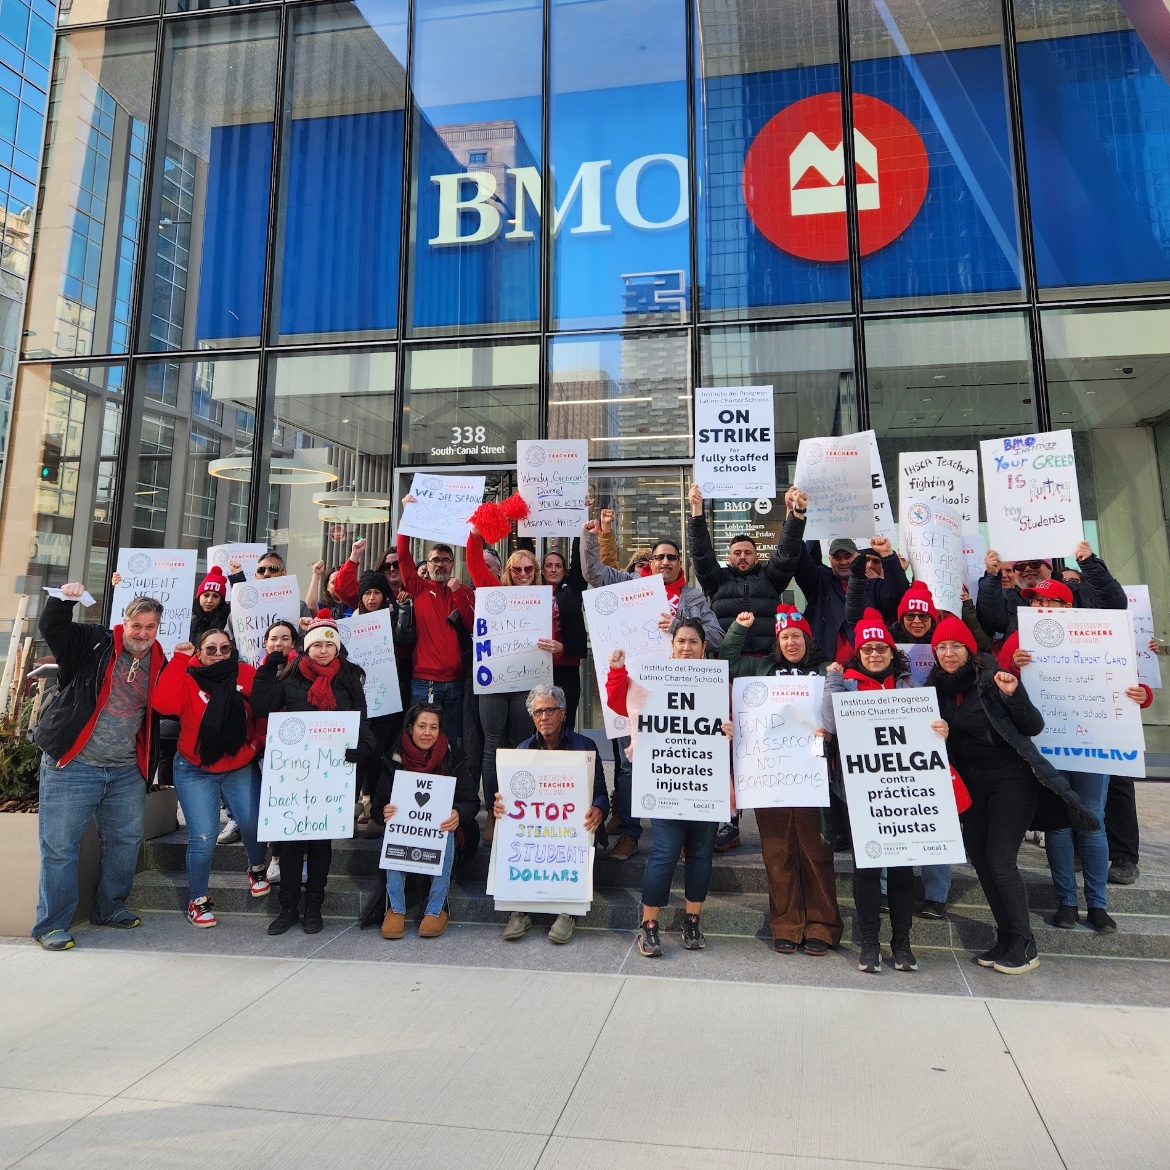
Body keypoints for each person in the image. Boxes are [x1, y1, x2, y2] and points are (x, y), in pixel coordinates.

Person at [1007, 576, 1149, 934]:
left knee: (1092, 822)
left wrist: (1141, 695)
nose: (1039, 608)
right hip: (1049, 747)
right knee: (1056, 824)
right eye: (1035, 602)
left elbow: (1130, 678)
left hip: (1094, 745)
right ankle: (1066, 903)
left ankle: (1097, 905)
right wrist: (1012, 665)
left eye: (1047, 602)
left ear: (1067, 607)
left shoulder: (1100, 630)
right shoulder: (1019, 638)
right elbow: (1000, 685)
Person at [32, 586, 168, 950]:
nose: (142, 633)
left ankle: (109, 907)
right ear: (124, 621)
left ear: (158, 628)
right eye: (137, 624)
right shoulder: (93, 642)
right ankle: (51, 924)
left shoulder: (160, 659)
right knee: (60, 846)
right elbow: (53, 625)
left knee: (124, 842)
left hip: (125, 770)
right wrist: (65, 597)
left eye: (150, 626)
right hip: (75, 764)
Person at [822, 609, 946, 974]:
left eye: (881, 648)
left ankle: (902, 944)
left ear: (893, 652)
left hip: (904, 793)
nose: (874, 654)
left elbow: (926, 730)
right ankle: (870, 943)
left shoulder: (910, 687)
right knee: (866, 869)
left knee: (903, 871)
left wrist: (938, 728)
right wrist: (832, 680)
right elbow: (830, 723)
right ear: (857, 654)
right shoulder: (845, 685)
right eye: (866, 649)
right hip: (860, 791)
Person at [605, 619, 734, 958]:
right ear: (672, 646)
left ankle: (692, 920)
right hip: (666, 782)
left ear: (705, 647)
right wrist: (617, 671)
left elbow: (737, 722)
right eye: (681, 641)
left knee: (701, 856)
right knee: (663, 853)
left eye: (693, 641)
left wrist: (733, 728)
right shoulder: (655, 679)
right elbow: (622, 704)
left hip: (705, 782)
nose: (687, 647)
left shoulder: (718, 684)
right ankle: (649, 925)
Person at [927, 618, 1049, 974]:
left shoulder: (993, 680)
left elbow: (1033, 726)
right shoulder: (934, 689)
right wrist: (939, 734)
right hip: (971, 787)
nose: (949, 654)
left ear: (970, 650)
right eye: (941, 648)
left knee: (1000, 861)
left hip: (1011, 782)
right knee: (981, 861)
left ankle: (1025, 944)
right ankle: (1007, 938)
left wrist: (1015, 694)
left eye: (956, 646)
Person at [721, 606, 842, 955]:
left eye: (797, 637)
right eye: (785, 637)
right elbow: (728, 663)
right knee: (777, 853)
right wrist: (739, 630)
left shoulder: (825, 670)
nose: (791, 643)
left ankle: (822, 925)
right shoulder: (761, 668)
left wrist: (830, 733)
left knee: (816, 853)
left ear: (808, 639)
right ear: (777, 642)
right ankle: (785, 925)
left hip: (813, 776)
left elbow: (839, 713)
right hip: (769, 778)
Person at [251, 610, 375, 935]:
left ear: (337, 648)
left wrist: (365, 746)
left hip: (332, 773)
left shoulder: (349, 678)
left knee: (321, 842)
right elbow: (262, 706)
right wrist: (267, 668)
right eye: (317, 644)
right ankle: (288, 906)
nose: (323, 650)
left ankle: (313, 905)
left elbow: (362, 718)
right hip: (295, 773)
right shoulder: (290, 677)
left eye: (329, 645)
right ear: (307, 647)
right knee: (291, 842)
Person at [689, 482, 793, 852]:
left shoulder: (770, 578)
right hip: (727, 670)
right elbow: (701, 557)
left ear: (756, 555)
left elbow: (787, 554)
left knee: (764, 742)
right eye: (737, 553)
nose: (743, 557)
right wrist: (697, 515)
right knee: (726, 744)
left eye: (748, 552)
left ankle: (772, 815)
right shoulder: (718, 580)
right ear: (729, 557)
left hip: (765, 667)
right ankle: (729, 820)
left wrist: (794, 516)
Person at [154, 627, 269, 927]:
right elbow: (163, 704)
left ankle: (257, 868)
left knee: (253, 821)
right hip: (195, 768)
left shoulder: (245, 673)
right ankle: (199, 901)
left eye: (225, 648)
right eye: (211, 649)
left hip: (238, 764)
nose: (218, 654)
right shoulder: (187, 675)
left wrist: (256, 742)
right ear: (199, 651)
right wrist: (179, 661)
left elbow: (264, 712)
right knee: (203, 837)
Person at [489, 683, 608, 945]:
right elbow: (508, 798)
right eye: (538, 712)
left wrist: (598, 810)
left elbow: (601, 794)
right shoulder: (521, 752)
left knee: (576, 839)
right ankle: (520, 910)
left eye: (550, 710)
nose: (544, 717)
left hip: (572, 829)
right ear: (532, 717)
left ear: (563, 713)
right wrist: (500, 806)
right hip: (538, 829)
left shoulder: (584, 747)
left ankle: (569, 911)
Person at [466, 532, 561, 840]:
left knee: (523, 744)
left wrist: (557, 648)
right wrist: (474, 534)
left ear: (536, 572)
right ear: (508, 571)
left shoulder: (545, 598)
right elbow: (475, 566)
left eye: (528, 569)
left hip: (528, 682)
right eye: (517, 569)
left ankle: (522, 807)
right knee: (493, 745)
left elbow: (554, 640)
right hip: (494, 681)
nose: (522, 574)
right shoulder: (495, 591)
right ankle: (494, 816)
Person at [373, 703, 480, 939]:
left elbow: (472, 801)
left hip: (445, 834)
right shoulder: (393, 758)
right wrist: (384, 812)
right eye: (422, 726)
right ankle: (396, 908)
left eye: (434, 727)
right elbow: (377, 807)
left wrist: (458, 814)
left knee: (447, 831)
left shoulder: (453, 757)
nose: (427, 733)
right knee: (393, 830)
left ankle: (436, 908)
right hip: (406, 832)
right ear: (410, 728)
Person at [774, 487, 909, 665]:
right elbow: (796, 552)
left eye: (848, 556)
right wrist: (793, 514)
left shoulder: (874, 585)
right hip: (824, 666)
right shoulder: (819, 579)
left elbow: (899, 595)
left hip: (866, 666)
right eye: (837, 557)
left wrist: (888, 556)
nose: (843, 561)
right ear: (829, 559)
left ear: (857, 557)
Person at [395, 528, 475, 751]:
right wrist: (405, 522)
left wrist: (457, 592)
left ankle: (450, 784)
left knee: (453, 742)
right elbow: (403, 555)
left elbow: (472, 625)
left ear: (452, 564)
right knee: (421, 742)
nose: (440, 565)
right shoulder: (418, 588)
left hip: (457, 683)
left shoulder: (464, 591)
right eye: (435, 560)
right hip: (424, 682)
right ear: (427, 565)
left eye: (445, 560)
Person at [976, 541, 1127, 637]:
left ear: (1049, 568)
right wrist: (991, 577)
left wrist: (1089, 564)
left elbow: (1114, 606)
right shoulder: (1008, 598)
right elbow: (991, 621)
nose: (1027, 569)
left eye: (1035, 564)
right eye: (1020, 566)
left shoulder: (1077, 592)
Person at [256, 620, 301, 885]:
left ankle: (299, 858)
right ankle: (275, 859)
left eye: (285, 639)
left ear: (294, 643)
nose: (279, 644)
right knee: (273, 806)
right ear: (265, 643)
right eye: (274, 639)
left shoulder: (301, 671)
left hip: (296, 751)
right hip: (266, 748)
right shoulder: (258, 670)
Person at [541, 543, 588, 730]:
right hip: (538, 669)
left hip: (567, 666)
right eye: (549, 565)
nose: (553, 569)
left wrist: (579, 528)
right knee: (542, 723)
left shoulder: (574, 587)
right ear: (542, 570)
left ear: (565, 570)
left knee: (565, 723)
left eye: (558, 565)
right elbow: (524, 553)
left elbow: (578, 560)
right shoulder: (532, 588)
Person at [189, 565, 230, 642]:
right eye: (206, 595)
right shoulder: (187, 618)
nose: (209, 600)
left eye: (215, 596)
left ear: (221, 600)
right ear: (199, 596)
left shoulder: (227, 620)